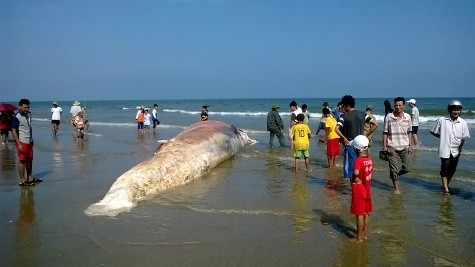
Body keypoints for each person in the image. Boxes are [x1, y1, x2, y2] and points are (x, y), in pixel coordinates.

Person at [430, 100, 470, 195]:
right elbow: (433, 131)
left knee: (452, 169)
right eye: (454, 109)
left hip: (456, 149)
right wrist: (443, 137)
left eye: (458, 110)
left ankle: (446, 184)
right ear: (449, 110)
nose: (456, 112)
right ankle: (446, 189)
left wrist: (460, 148)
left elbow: (464, 137)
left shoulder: (463, 122)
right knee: (445, 168)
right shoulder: (442, 120)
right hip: (445, 148)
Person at [335, 95, 378, 179]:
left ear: (347, 105)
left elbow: (336, 129)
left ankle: (353, 189)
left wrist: (344, 138)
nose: (342, 107)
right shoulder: (362, 114)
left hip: (351, 144)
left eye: (343, 105)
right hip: (361, 146)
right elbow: (375, 124)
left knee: (351, 170)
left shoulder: (344, 116)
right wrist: (366, 135)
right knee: (360, 167)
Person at [382, 97, 412, 194]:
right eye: (396, 105)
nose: (398, 107)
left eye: (400, 105)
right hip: (392, 146)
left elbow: (409, 132)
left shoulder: (408, 117)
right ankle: (397, 189)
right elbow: (385, 133)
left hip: (404, 146)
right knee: (393, 168)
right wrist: (385, 146)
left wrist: (410, 145)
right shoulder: (389, 117)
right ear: (394, 106)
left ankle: (395, 175)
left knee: (407, 168)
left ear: (404, 106)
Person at [11, 99, 42, 186]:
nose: (26, 109)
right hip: (22, 141)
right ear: (20, 106)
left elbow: (29, 127)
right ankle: (22, 180)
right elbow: (13, 130)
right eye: (24, 107)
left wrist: (32, 139)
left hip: (29, 141)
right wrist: (18, 143)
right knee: (22, 161)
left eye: (28, 107)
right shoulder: (16, 117)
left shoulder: (29, 114)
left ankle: (30, 177)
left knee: (30, 160)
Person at [349, 135, 373, 242]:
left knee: (359, 214)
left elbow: (356, 172)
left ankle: (358, 238)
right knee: (365, 212)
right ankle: (364, 234)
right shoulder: (369, 159)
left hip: (359, 189)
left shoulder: (358, 160)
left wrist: (355, 177)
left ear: (356, 149)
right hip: (367, 189)